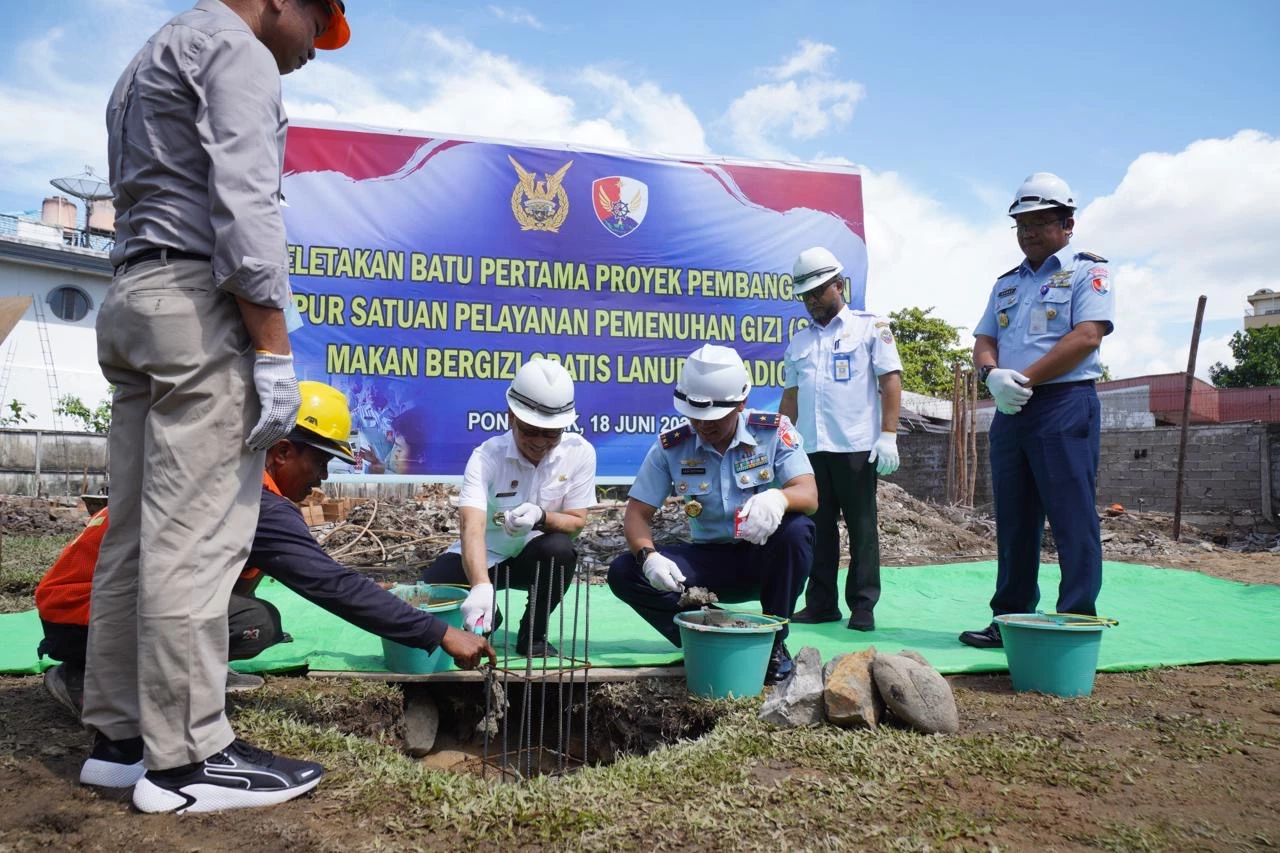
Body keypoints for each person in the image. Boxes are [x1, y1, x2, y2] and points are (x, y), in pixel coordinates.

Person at [85, 0, 353, 814]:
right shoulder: (239, 54)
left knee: (132, 532)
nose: (313, 48)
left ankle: (120, 740)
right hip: (198, 304)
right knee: (196, 539)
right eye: (317, 24)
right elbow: (247, 207)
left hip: (133, 294)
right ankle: (189, 758)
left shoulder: (148, 56)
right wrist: (273, 347)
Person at [36, 382, 494, 728]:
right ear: (281, 450)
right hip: (86, 619)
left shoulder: (228, 473)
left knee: (244, 602)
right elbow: (327, 585)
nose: (319, 481)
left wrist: (373, 589)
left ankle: (195, 667)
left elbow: (257, 566)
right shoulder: (255, 500)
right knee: (254, 624)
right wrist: (437, 632)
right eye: (319, 463)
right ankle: (89, 678)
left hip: (85, 607)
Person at [959, 172, 1115, 649]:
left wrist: (1024, 378)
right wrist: (992, 376)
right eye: (1021, 224)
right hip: (1011, 409)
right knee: (1015, 519)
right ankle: (1009, 617)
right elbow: (984, 338)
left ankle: (1074, 620)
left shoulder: (1088, 272)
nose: (1028, 232)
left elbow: (1088, 335)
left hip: (1063, 404)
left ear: (1068, 224)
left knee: (1071, 517)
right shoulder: (1006, 283)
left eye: (1040, 222)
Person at [607, 344, 817, 685]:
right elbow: (636, 514)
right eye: (695, 415)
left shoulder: (773, 431)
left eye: (715, 417)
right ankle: (705, 634)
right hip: (707, 564)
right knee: (623, 571)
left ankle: (773, 646)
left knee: (797, 530)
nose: (704, 425)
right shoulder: (672, 446)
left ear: (741, 403)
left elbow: (808, 493)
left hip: (763, 558)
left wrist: (778, 498)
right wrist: (648, 557)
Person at [421, 358, 597, 658]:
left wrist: (542, 517)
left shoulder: (579, 453)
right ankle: (490, 614)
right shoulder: (487, 456)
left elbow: (577, 522)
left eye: (551, 433)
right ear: (511, 417)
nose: (540, 442)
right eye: (531, 430)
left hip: (534, 558)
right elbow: (471, 527)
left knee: (560, 550)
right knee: (432, 588)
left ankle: (534, 633)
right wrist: (479, 585)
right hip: (485, 556)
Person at [780, 248, 903, 632]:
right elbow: (791, 395)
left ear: (838, 285)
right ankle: (821, 603)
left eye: (818, 290)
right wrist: (782, 441)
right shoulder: (799, 342)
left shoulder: (870, 328)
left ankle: (863, 605)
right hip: (812, 450)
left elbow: (890, 381)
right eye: (805, 295)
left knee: (862, 527)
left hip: (856, 447)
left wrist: (888, 434)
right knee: (820, 530)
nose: (812, 300)